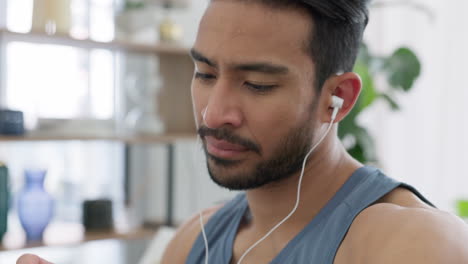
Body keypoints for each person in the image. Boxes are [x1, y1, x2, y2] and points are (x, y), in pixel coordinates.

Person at [17, 0, 468, 263]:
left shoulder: (414, 246)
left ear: (339, 99)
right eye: (205, 74)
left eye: (257, 84)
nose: (214, 113)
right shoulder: (194, 239)